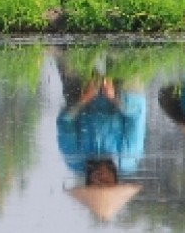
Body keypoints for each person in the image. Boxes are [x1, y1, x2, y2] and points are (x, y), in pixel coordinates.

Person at [55, 49, 145, 221]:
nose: (100, 179)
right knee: (124, 53)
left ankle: (66, 41)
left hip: (84, 98)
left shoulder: (74, 160)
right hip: (124, 97)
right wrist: (114, 97)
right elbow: (135, 114)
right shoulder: (129, 156)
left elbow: (64, 122)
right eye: (106, 183)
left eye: (95, 184)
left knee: (70, 54)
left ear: (88, 183)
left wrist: (84, 100)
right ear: (115, 181)